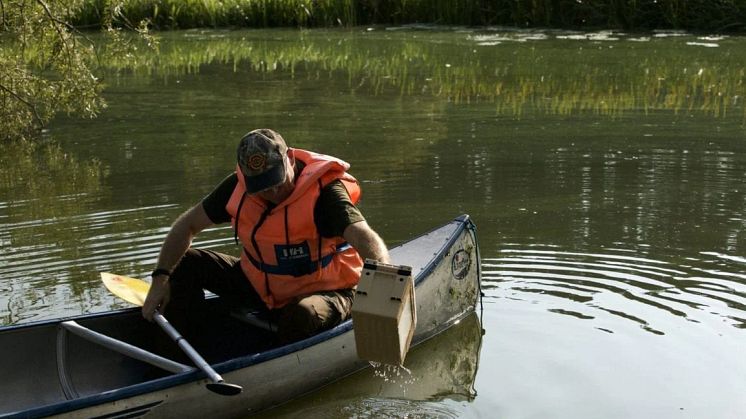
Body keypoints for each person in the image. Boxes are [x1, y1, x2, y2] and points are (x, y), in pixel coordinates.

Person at [142, 128, 390, 344]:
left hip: (325, 291)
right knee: (184, 263)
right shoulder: (236, 188)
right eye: (262, 186)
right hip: (262, 286)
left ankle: (276, 366)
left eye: (276, 181)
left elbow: (364, 237)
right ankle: (180, 352)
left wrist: (384, 291)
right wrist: (159, 279)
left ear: (290, 159)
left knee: (302, 315)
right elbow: (186, 226)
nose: (272, 191)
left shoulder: (325, 193)